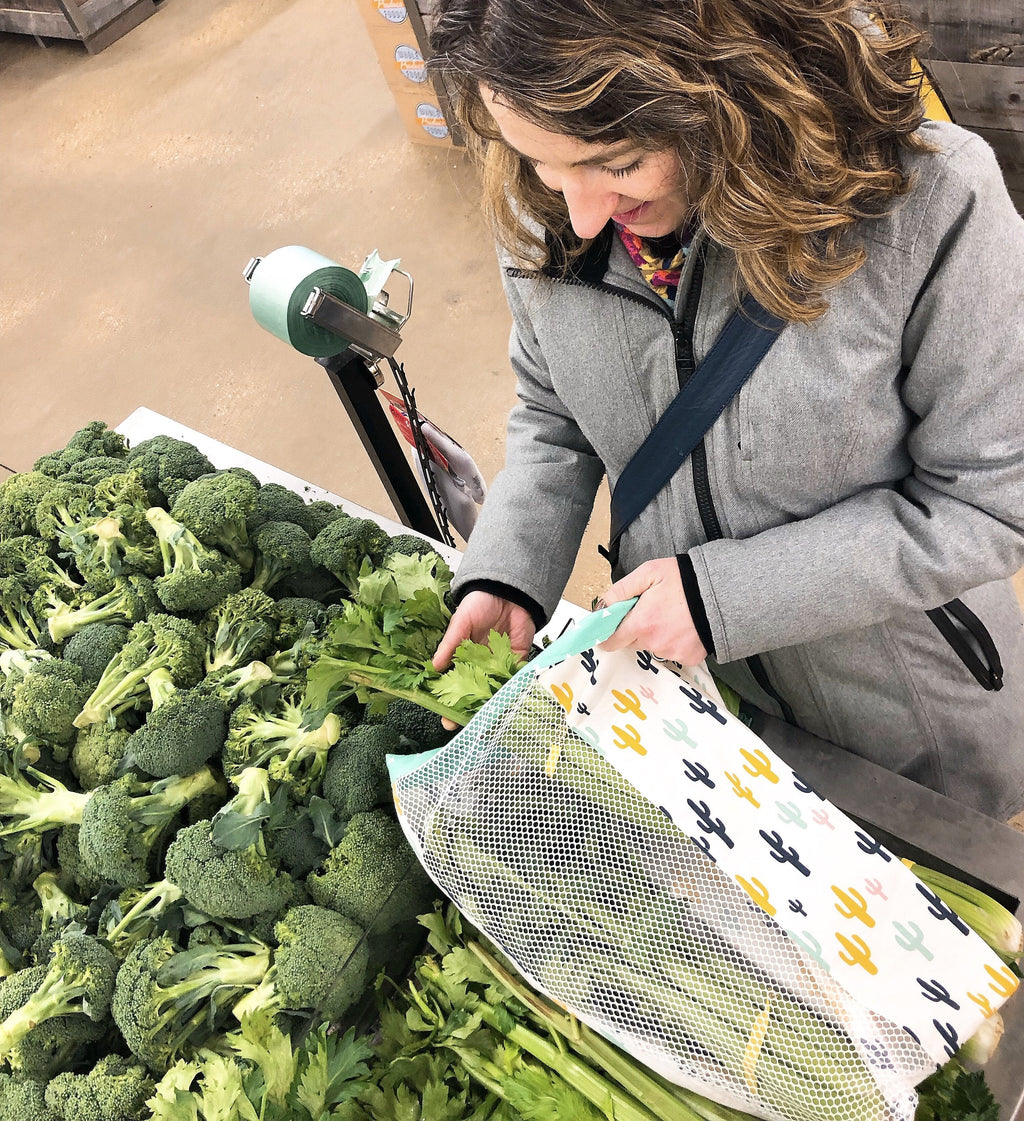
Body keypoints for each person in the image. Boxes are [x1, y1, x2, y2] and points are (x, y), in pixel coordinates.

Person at [427, 0, 1024, 821]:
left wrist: (726, 599)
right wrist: (509, 572)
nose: (578, 214)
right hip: (695, 709)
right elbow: (553, 414)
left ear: (730, 85)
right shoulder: (549, 204)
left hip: (907, 728)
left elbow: (987, 500)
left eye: (622, 162)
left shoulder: (929, 202)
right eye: (539, 163)